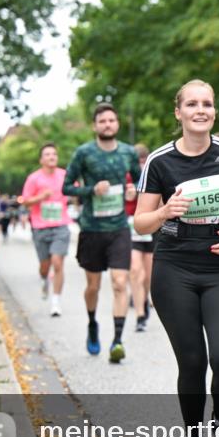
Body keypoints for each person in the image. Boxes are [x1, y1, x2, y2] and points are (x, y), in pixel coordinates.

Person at [134, 79, 219, 437]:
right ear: (179, 112)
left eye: (207, 103)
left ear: (214, 111)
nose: (200, 109)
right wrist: (164, 212)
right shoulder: (160, 161)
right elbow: (140, 223)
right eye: (191, 104)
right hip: (174, 268)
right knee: (192, 363)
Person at [63, 103, 142, 363]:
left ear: (117, 124)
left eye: (111, 120)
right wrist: (91, 190)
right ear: (95, 126)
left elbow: (142, 183)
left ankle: (117, 341)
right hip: (92, 230)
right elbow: (67, 188)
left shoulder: (129, 153)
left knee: (120, 282)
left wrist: (133, 192)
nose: (107, 124)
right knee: (93, 286)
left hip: (119, 228)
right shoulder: (84, 153)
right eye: (102, 121)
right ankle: (92, 323)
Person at [20, 143, 72, 317]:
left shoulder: (65, 175)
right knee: (45, 266)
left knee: (57, 262)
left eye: (54, 154)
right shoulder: (34, 178)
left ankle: (56, 301)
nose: (52, 157)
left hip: (61, 225)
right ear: (41, 159)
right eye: (48, 154)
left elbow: (75, 189)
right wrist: (40, 197)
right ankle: (44, 279)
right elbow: (25, 201)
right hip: (40, 227)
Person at [126, 143, 153, 332]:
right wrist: (126, 195)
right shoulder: (125, 176)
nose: (141, 166)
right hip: (131, 228)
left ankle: (144, 299)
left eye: (144, 161)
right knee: (136, 271)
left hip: (152, 229)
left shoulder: (155, 172)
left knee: (148, 276)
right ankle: (139, 315)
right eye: (138, 162)